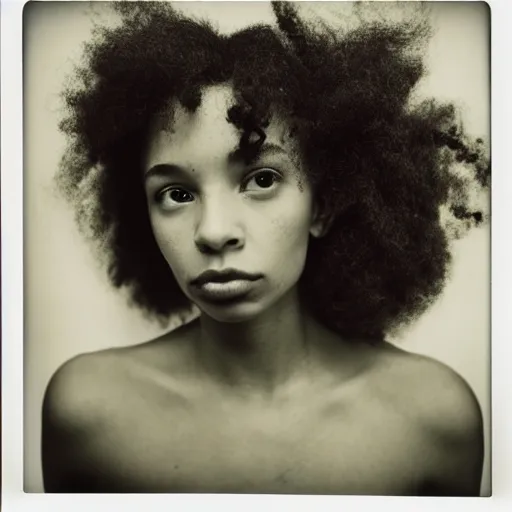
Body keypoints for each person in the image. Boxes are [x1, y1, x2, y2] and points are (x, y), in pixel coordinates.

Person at [41, 0, 489, 495]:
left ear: (324, 204)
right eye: (177, 194)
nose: (213, 233)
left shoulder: (435, 422)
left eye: (261, 179)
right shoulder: (86, 414)